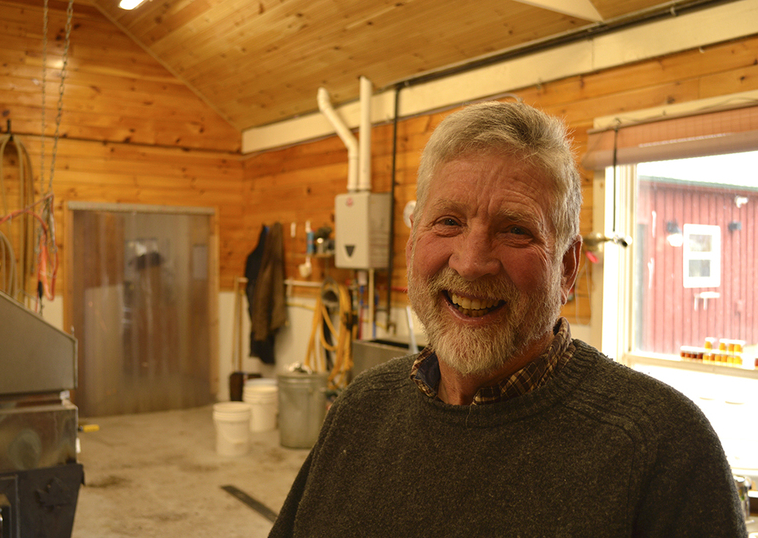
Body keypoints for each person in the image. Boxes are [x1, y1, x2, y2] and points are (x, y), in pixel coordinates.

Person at [269, 101, 746, 537]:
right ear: (414, 244)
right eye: (449, 222)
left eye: (516, 230)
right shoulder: (360, 410)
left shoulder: (665, 449)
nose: (471, 262)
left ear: (566, 267)